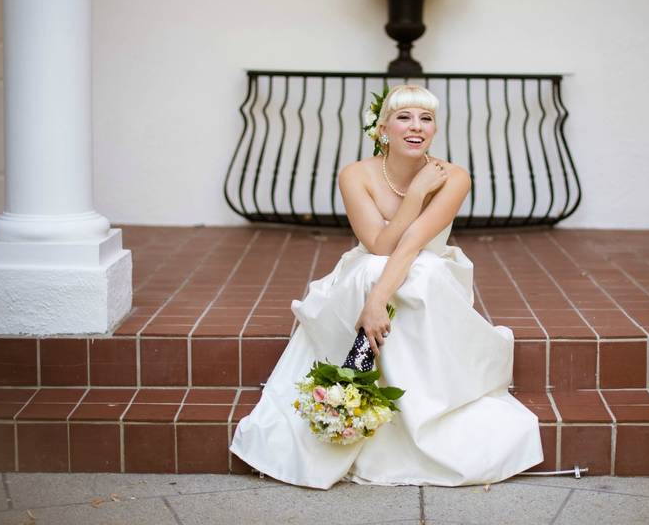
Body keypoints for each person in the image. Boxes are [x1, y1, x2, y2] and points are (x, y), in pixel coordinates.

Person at [229, 84, 543, 489]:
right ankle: (359, 392)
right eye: (405, 117)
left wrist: (377, 302)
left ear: (435, 129)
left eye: (426, 119)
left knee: (418, 273)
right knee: (372, 269)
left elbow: (413, 245)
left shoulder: (454, 177)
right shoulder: (355, 174)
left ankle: (422, 405)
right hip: (367, 272)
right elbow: (378, 245)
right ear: (382, 129)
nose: (417, 127)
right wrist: (414, 195)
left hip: (429, 271)